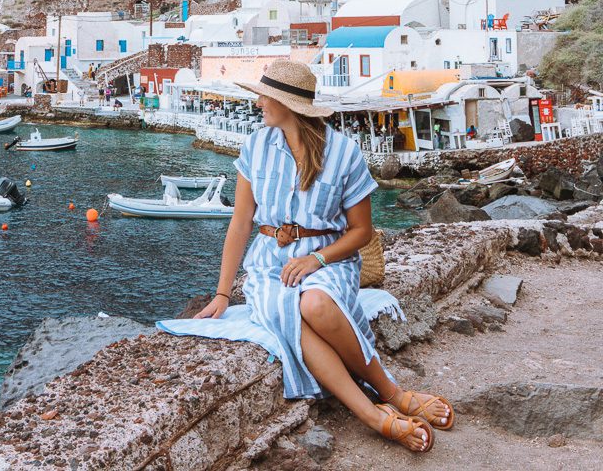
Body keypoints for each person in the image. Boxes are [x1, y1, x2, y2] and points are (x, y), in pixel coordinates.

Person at [159, 60, 453, 453]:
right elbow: (241, 223)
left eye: (266, 96)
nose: (259, 102)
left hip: (329, 259)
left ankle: (390, 392)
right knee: (288, 309)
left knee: (313, 303)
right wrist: (223, 294)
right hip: (268, 264)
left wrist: (318, 260)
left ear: (289, 105)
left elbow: (361, 232)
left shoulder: (344, 152)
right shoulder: (255, 146)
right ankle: (373, 412)